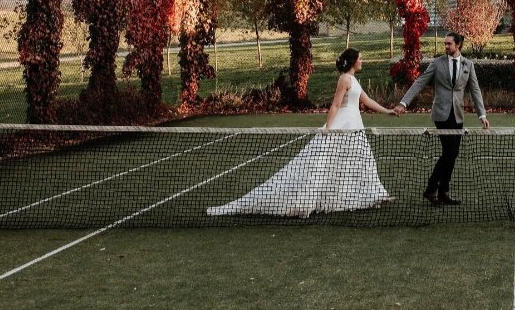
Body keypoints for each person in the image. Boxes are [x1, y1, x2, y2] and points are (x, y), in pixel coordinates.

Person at [207, 48, 394, 217]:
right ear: (352, 61)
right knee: (336, 163)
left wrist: (388, 111)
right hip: (342, 124)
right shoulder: (344, 79)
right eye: (360, 58)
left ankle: (373, 195)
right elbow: (336, 105)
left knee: (360, 160)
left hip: (354, 124)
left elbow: (367, 101)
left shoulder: (353, 79)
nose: (362, 61)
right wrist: (328, 128)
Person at [394, 32, 488, 206]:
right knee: (449, 152)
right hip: (441, 114)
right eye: (445, 44)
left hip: (457, 114)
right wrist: (403, 103)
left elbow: (475, 90)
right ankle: (431, 188)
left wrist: (481, 115)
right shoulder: (437, 63)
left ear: (458, 45)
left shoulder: (468, 64)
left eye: (449, 44)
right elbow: (420, 82)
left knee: (452, 154)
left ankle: (443, 191)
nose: (446, 47)